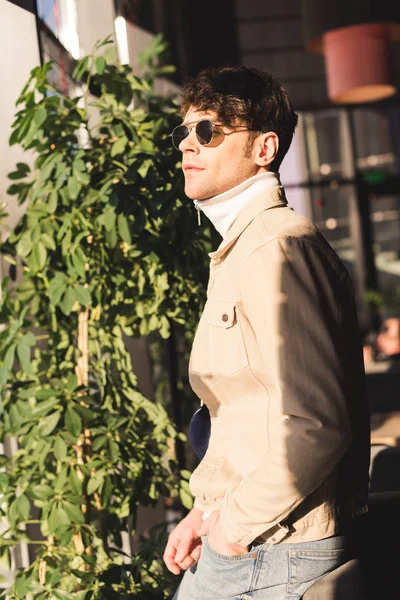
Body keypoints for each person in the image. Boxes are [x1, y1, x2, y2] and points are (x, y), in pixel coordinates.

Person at [163, 66, 370, 600]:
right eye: (182, 132)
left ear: (264, 148)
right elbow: (249, 411)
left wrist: (232, 530)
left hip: (275, 546)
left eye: (206, 131)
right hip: (258, 537)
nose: (187, 143)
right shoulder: (243, 248)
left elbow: (317, 423)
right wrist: (206, 512)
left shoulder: (276, 247)